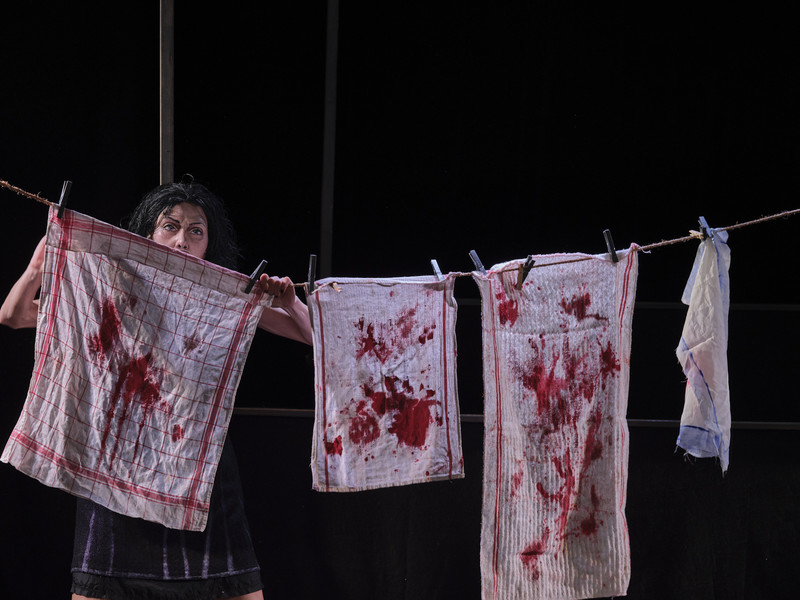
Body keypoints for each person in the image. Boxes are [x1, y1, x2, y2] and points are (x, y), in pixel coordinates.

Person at [0, 177, 313, 600]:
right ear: (148, 234)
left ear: (208, 245)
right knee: (96, 588)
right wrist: (39, 266)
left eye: (196, 231)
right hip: (117, 462)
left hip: (195, 463)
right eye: (171, 226)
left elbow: (316, 340)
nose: (182, 240)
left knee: (238, 588)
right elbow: (14, 314)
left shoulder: (221, 302)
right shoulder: (112, 286)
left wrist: (290, 303)